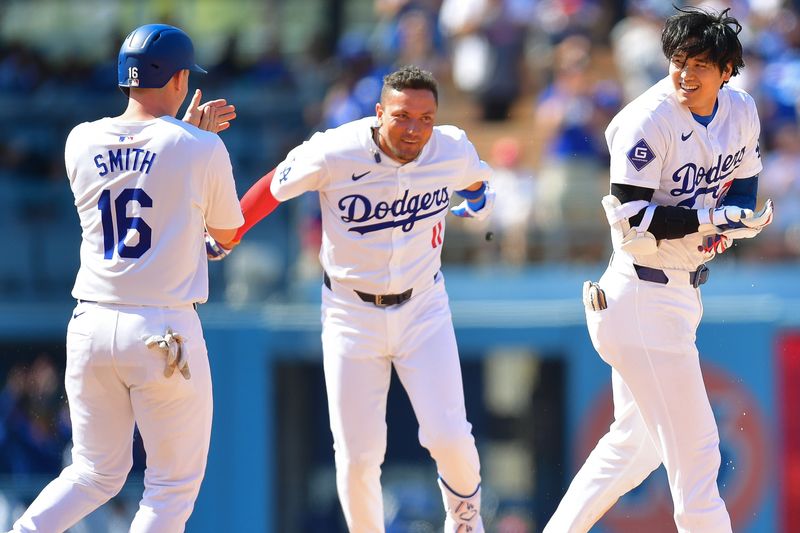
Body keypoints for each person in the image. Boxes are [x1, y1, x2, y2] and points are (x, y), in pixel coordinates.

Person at [212, 65, 493, 532]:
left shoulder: (450, 147)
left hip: (424, 306)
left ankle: (465, 521)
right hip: (349, 312)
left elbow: (475, 183)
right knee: (359, 456)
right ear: (380, 112)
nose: (415, 128)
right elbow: (272, 188)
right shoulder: (334, 150)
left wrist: (475, 200)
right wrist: (228, 235)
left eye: (426, 118)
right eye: (403, 116)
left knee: (449, 436)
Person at [544, 7, 773, 533]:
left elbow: (743, 181)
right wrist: (713, 217)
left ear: (727, 70)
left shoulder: (740, 110)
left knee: (634, 447)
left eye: (700, 63)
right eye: (678, 61)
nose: (686, 74)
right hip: (639, 292)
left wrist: (728, 221)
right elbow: (631, 224)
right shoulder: (646, 119)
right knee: (698, 454)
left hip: (674, 294)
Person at [9, 23, 242, 532]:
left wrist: (189, 136)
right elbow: (225, 233)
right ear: (179, 79)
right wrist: (196, 137)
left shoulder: (80, 140)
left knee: (93, 473)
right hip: (163, 326)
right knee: (170, 485)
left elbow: (145, 163)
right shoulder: (199, 148)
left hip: (91, 324)